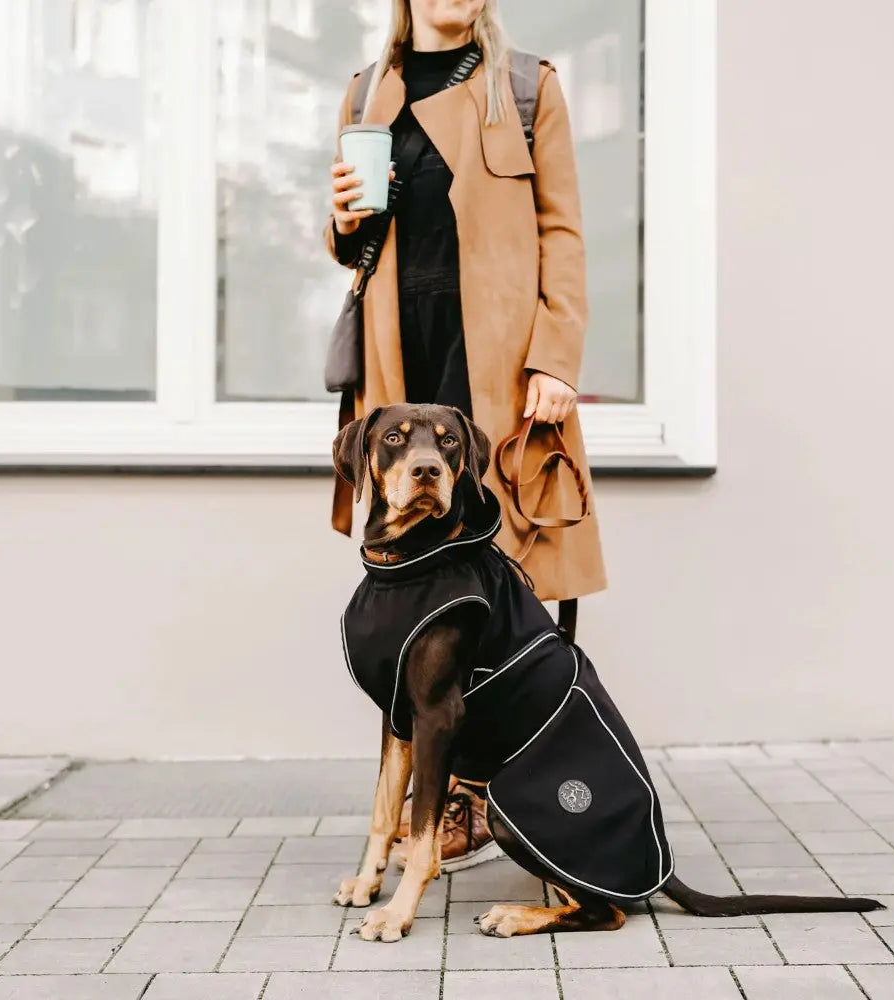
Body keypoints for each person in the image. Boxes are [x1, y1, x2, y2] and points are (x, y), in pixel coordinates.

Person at [325, 0, 606, 871]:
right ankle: (433, 797)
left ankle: (487, 793)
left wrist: (555, 359)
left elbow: (563, 230)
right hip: (400, 365)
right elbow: (354, 244)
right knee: (418, 589)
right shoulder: (367, 91)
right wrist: (340, 218)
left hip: (497, 367)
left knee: (506, 577)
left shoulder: (527, 88)